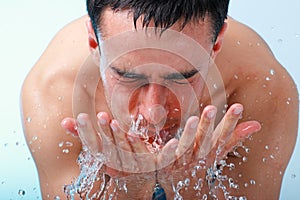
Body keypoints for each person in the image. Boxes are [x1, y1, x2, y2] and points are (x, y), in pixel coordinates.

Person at [21, 0, 298, 199]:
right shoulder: (54, 91)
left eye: (182, 77)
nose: (154, 114)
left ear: (216, 45)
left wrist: (188, 188)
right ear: (94, 44)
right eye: (128, 76)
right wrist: (129, 190)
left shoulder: (259, 87)